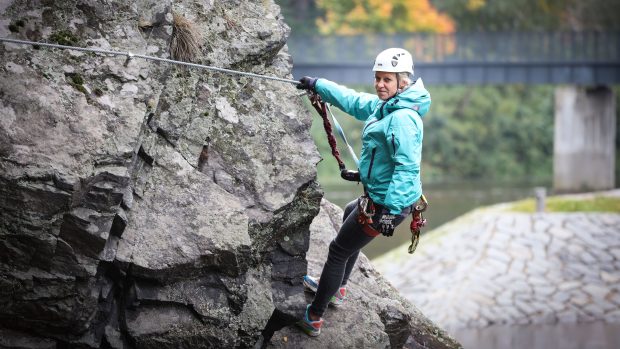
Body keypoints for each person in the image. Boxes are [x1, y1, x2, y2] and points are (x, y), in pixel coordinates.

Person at [295, 48, 431, 337]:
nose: (380, 84)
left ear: (402, 83)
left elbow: (406, 168)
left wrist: (392, 210)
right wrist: (318, 84)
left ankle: (315, 316)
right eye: (378, 78)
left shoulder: (402, 119)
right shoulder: (388, 107)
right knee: (348, 213)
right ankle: (338, 288)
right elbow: (354, 101)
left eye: (387, 80)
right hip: (381, 199)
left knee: (338, 250)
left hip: (387, 206)